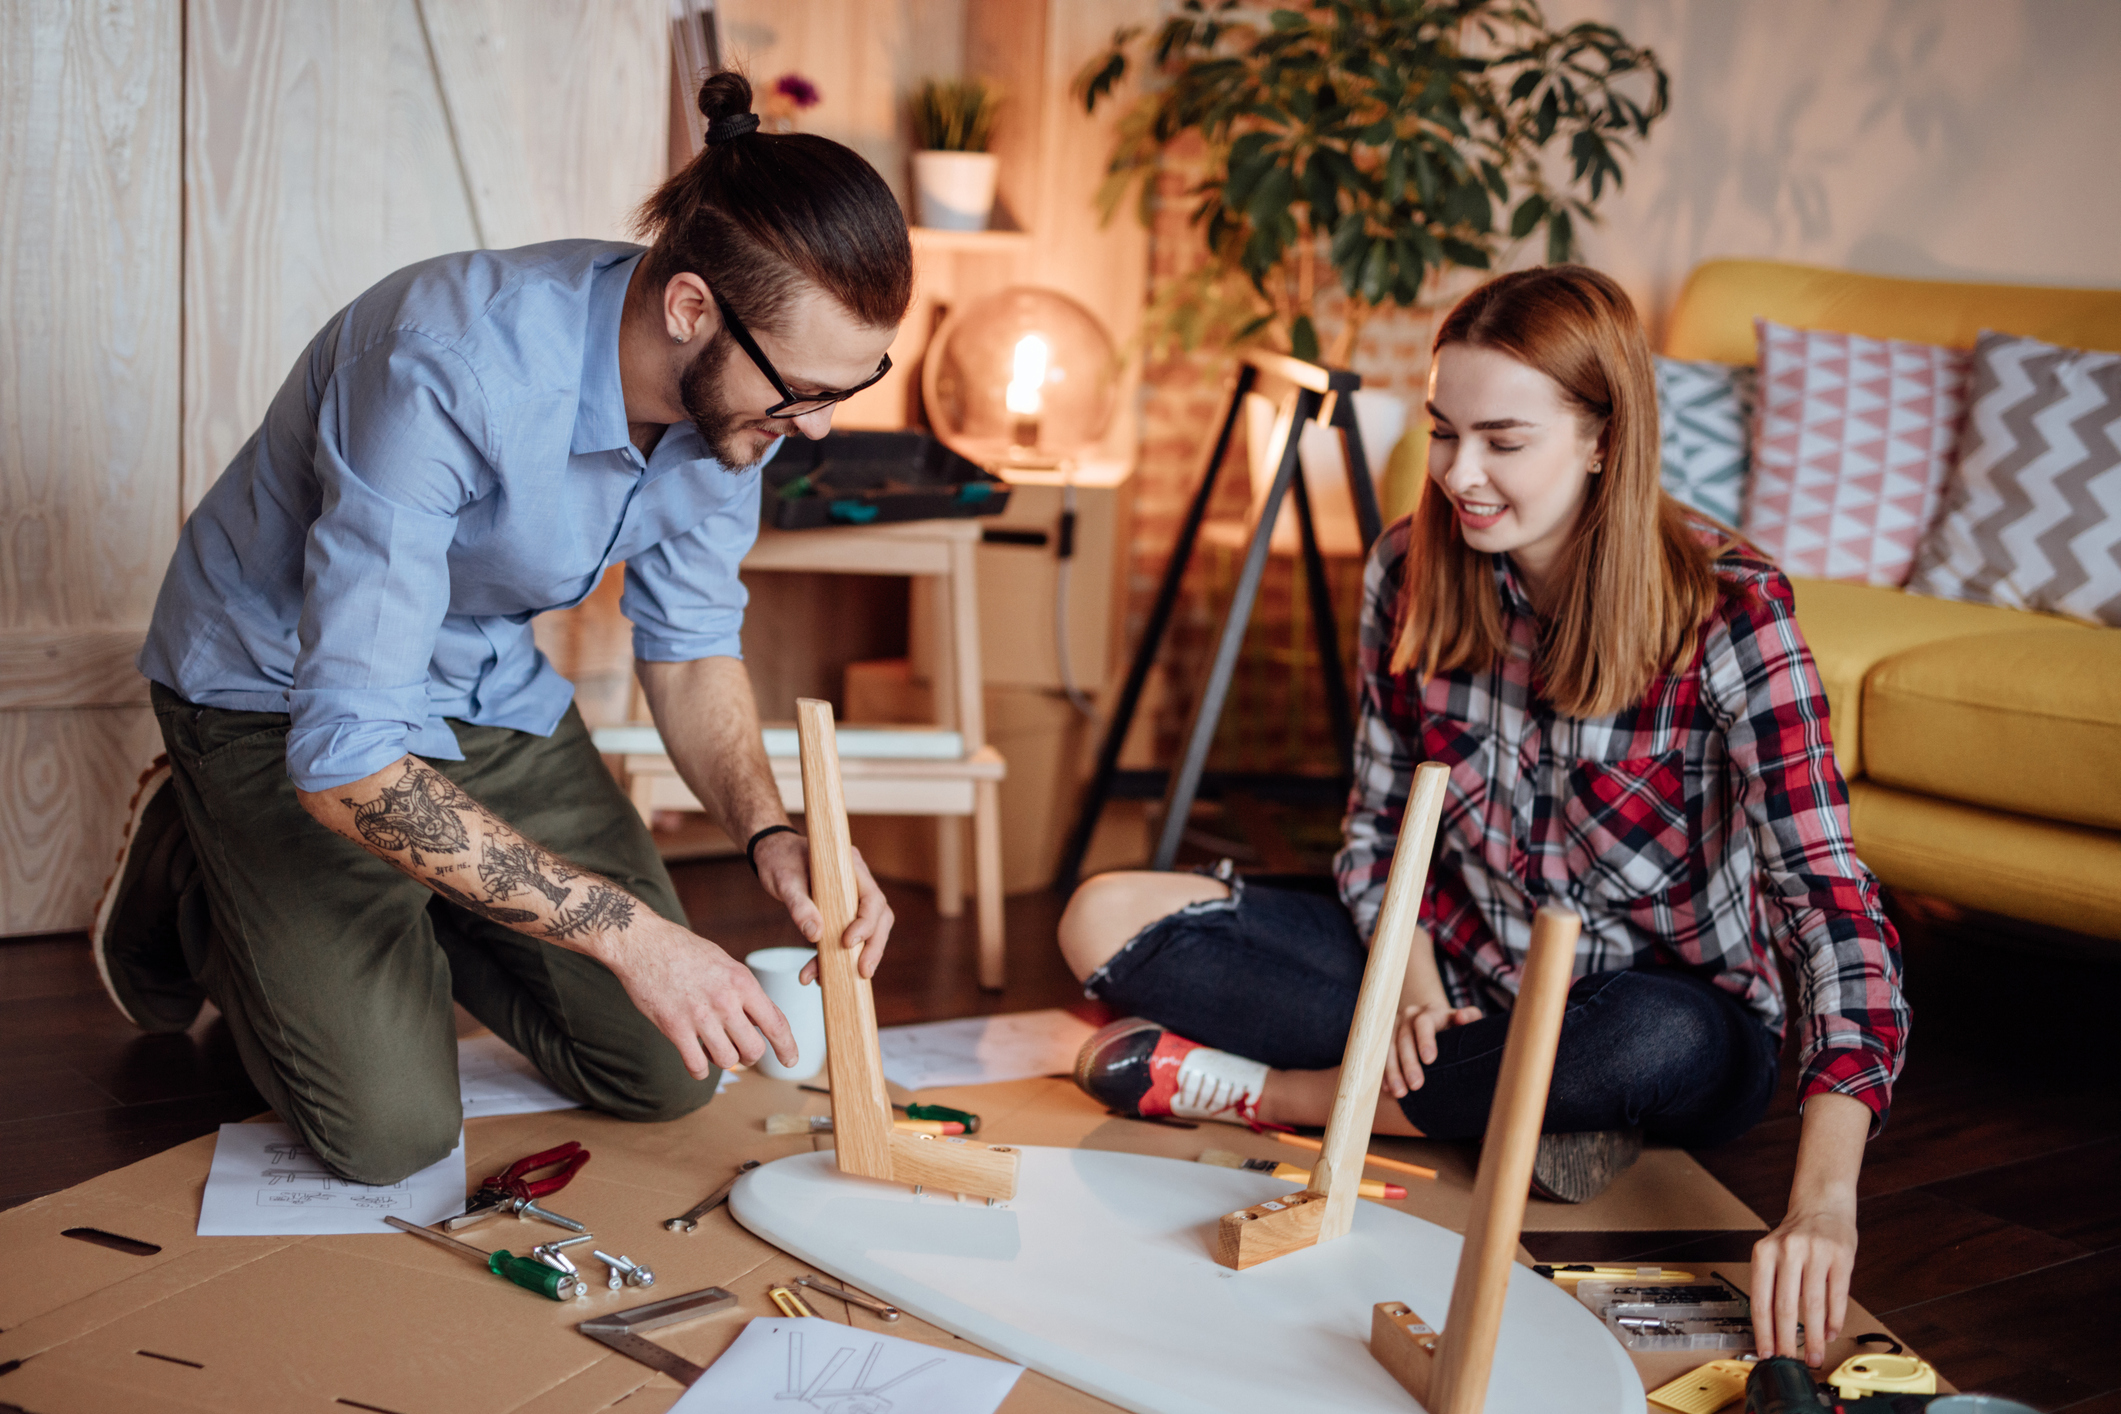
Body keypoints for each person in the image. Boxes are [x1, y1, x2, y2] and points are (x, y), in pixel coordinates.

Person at [1059, 265, 1907, 1367]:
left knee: (1646, 1040)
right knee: (1101, 915)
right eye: (1444, 432)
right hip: (1455, 979)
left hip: (1655, 1017)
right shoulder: (1408, 568)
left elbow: (1829, 906)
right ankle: (1508, 1106)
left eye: (1503, 441)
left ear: (1603, 439)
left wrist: (1825, 1201)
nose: (1459, 474)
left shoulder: (1733, 614)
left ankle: (1283, 1095)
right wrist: (1411, 994)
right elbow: (1375, 834)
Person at [92, 73, 905, 1185]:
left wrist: (772, 833)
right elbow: (348, 759)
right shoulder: (443, 364)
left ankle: (426, 886)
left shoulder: (738, 409)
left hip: (476, 684)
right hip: (284, 699)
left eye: (846, 391)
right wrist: (623, 931)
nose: (814, 429)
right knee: (389, 1135)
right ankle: (197, 860)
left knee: (668, 1070)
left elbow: (690, 647)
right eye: (804, 392)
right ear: (690, 309)